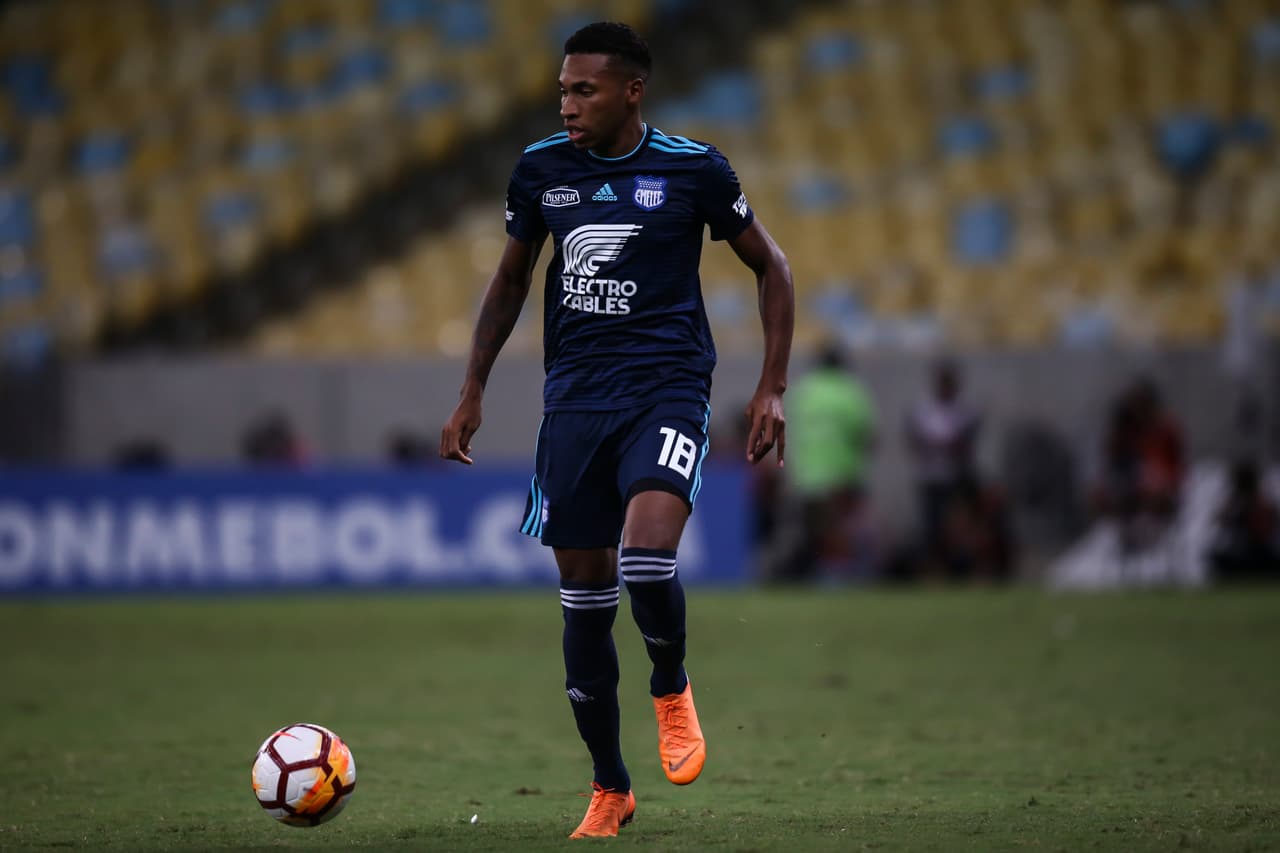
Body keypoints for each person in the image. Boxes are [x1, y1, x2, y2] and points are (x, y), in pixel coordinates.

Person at [438, 22, 793, 840]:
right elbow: (509, 281)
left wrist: (771, 385)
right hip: (573, 404)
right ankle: (610, 786)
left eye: (584, 90)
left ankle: (670, 684)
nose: (566, 104)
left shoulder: (694, 168)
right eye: (563, 89)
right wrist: (472, 389)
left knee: (644, 557)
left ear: (632, 90)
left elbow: (772, 265)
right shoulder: (541, 172)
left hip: (666, 390)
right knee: (585, 604)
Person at [768, 340, 877, 582]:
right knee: (838, 532)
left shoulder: (804, 391)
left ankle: (817, 577)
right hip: (841, 475)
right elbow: (866, 436)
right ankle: (839, 578)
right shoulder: (850, 391)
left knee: (815, 534)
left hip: (806, 477)